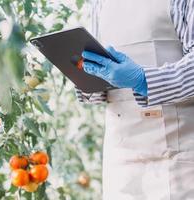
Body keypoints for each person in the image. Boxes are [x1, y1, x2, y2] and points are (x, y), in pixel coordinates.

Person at [76, 0, 194, 199]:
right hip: (122, 159)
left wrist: (144, 81)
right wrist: (85, 78)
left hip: (180, 158)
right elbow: (99, 88)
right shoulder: (98, 3)